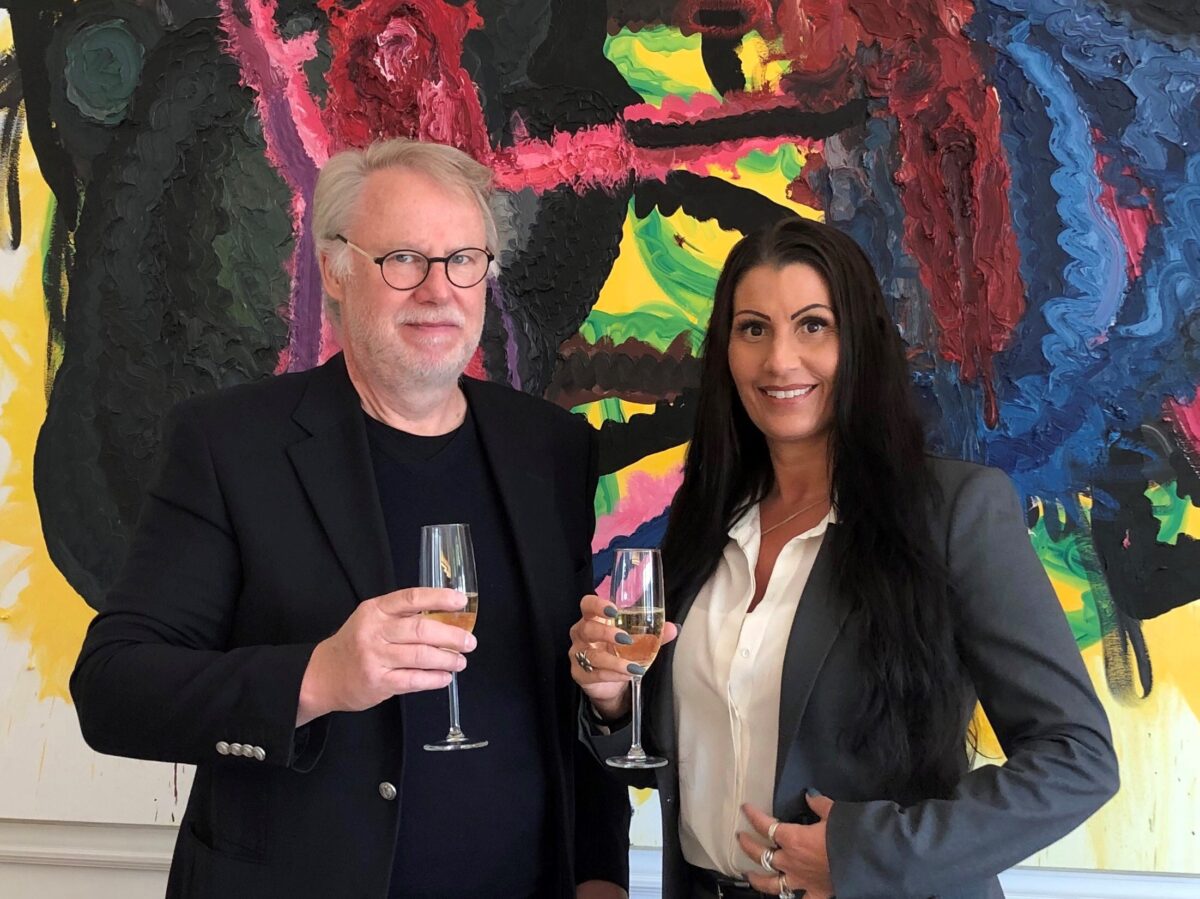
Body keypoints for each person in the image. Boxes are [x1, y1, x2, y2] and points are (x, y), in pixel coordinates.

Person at [70, 138, 630, 898]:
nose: (438, 290)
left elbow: (571, 693)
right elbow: (113, 689)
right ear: (335, 270)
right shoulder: (231, 445)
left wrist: (600, 872)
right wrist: (316, 676)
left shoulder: (550, 449)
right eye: (403, 259)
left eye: (463, 259)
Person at [569, 217, 1119, 898]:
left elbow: (1077, 758)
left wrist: (865, 854)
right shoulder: (705, 520)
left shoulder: (954, 512)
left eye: (813, 326)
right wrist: (613, 701)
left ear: (859, 341)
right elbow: (696, 755)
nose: (779, 361)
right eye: (753, 329)